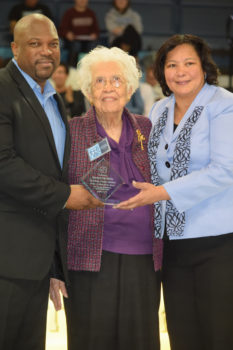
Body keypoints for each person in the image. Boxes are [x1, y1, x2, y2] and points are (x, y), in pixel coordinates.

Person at [115, 34, 233, 350]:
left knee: (219, 332)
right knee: (182, 332)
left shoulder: (224, 105)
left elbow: (225, 170)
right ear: (162, 71)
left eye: (188, 63)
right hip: (170, 243)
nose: (180, 71)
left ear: (205, 67)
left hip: (217, 242)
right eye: (172, 65)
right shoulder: (158, 109)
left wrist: (162, 192)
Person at [0, 13, 103, 350]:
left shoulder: (54, 100)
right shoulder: (2, 89)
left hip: (37, 261)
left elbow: (55, 170)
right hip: (8, 258)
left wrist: (55, 262)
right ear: (14, 48)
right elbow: (3, 164)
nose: (46, 51)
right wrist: (65, 195)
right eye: (35, 44)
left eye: (53, 44)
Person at [50, 46, 163, 350]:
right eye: (100, 81)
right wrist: (55, 267)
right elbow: (55, 202)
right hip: (87, 260)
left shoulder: (147, 128)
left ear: (129, 88)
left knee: (140, 342)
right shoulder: (71, 132)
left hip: (143, 258)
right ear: (88, 89)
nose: (109, 87)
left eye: (116, 80)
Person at [59, 0, 99, 67]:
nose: (82, 1)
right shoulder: (69, 13)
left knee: (93, 45)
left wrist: (94, 34)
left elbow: (96, 30)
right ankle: (72, 69)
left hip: (88, 41)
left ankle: (91, 67)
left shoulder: (91, 13)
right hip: (73, 41)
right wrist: (67, 34)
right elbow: (62, 30)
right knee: (76, 45)